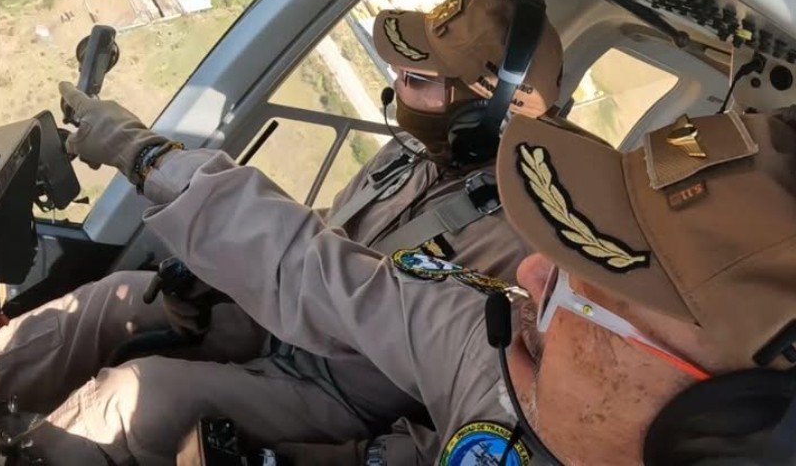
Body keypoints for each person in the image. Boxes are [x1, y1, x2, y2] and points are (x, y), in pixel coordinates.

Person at [46, 75, 796, 465]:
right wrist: (145, 158)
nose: (533, 274)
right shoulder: (499, 348)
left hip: (331, 385)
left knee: (137, 396)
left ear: (721, 431)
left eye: (591, 285)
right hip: (299, 357)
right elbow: (331, 275)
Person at [0, 0, 566, 464]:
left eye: (417, 76)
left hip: (336, 391)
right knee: (109, 302)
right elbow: (332, 233)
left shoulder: (530, 252)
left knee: (127, 402)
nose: (397, 84)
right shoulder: (415, 153)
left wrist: (144, 156)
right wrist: (217, 277)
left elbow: (463, 400)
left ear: (485, 112)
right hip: (281, 321)